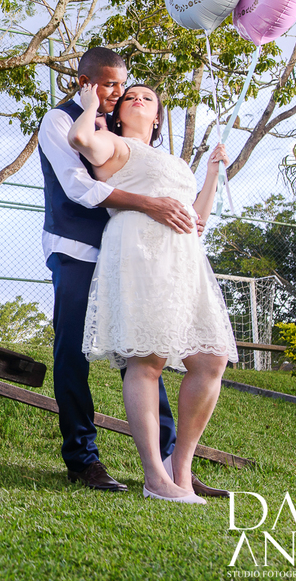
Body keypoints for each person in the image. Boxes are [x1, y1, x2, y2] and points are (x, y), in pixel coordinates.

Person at [38, 47, 204, 494]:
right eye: (108, 84)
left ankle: (169, 463)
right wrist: (151, 204)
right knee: (72, 353)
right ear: (84, 82)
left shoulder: (118, 127)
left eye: (121, 83)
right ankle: (82, 459)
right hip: (77, 250)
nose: (117, 92)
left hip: (127, 256)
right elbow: (80, 188)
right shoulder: (59, 121)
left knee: (146, 350)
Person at [68, 81, 238, 504]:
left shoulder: (173, 161)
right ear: (119, 113)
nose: (138, 100)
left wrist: (212, 174)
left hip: (184, 259)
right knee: (148, 359)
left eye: (148, 98)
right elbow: (79, 138)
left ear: (159, 115)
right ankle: (155, 478)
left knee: (211, 357)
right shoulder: (113, 142)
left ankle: (181, 466)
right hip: (140, 250)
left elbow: (197, 220)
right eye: (130, 97)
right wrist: (91, 106)